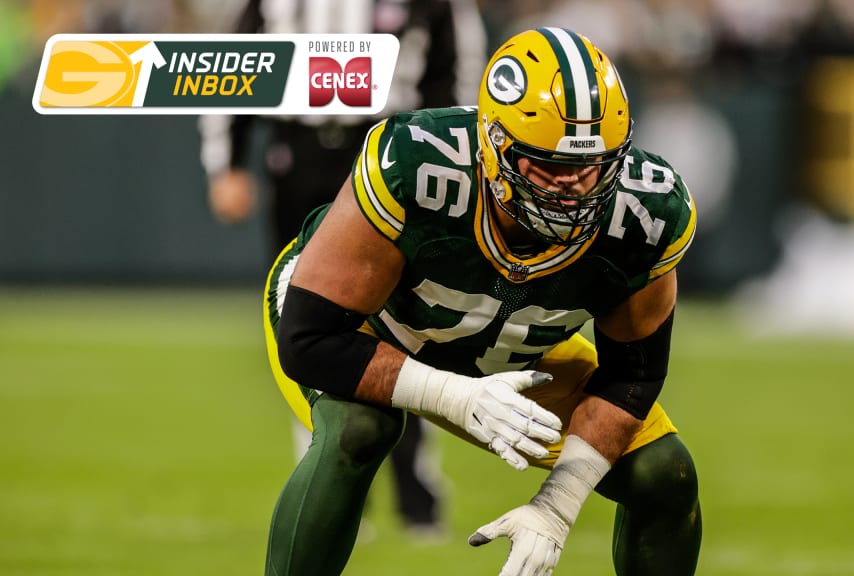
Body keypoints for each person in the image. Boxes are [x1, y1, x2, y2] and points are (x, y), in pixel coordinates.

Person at [263, 26, 702, 575]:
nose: (573, 189)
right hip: (377, 327)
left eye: (591, 168)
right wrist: (451, 395)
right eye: (548, 166)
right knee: (360, 428)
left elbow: (631, 375)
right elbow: (311, 339)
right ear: (493, 146)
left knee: (664, 472)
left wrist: (557, 507)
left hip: (511, 353)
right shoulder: (416, 163)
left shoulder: (647, 213)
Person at [203, 0, 487, 538]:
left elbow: (458, 74)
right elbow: (234, 63)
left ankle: (416, 494)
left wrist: (455, 162)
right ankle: (324, 483)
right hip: (299, 151)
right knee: (302, 319)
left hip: (393, 153)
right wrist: (228, 163)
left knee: (404, 323)